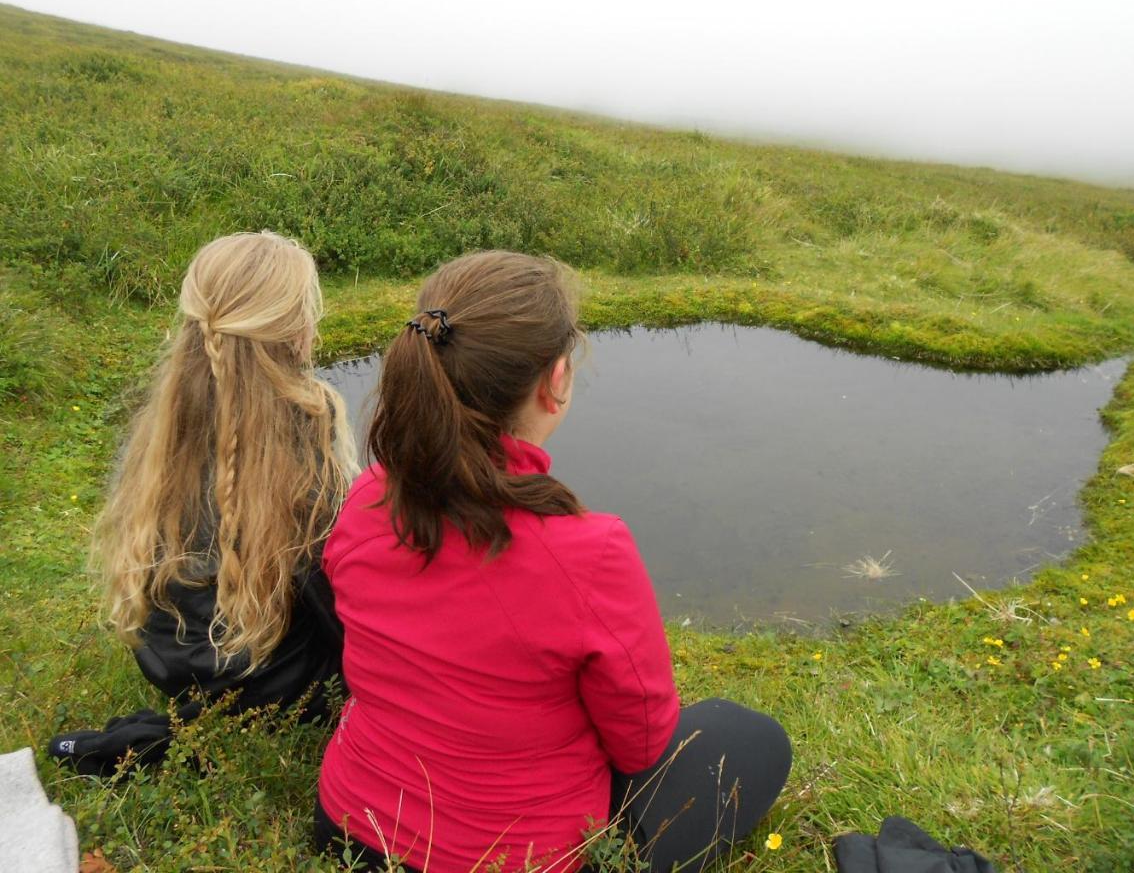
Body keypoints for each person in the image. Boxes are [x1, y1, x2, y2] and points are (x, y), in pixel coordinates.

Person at [315, 250, 791, 873]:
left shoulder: (368, 497)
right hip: (509, 858)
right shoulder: (590, 552)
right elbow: (641, 742)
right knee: (747, 737)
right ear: (556, 379)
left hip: (349, 831)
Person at [50, 232, 356, 776]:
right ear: (297, 332)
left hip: (174, 669)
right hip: (288, 692)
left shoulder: (159, 421)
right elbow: (334, 581)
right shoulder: (309, 422)